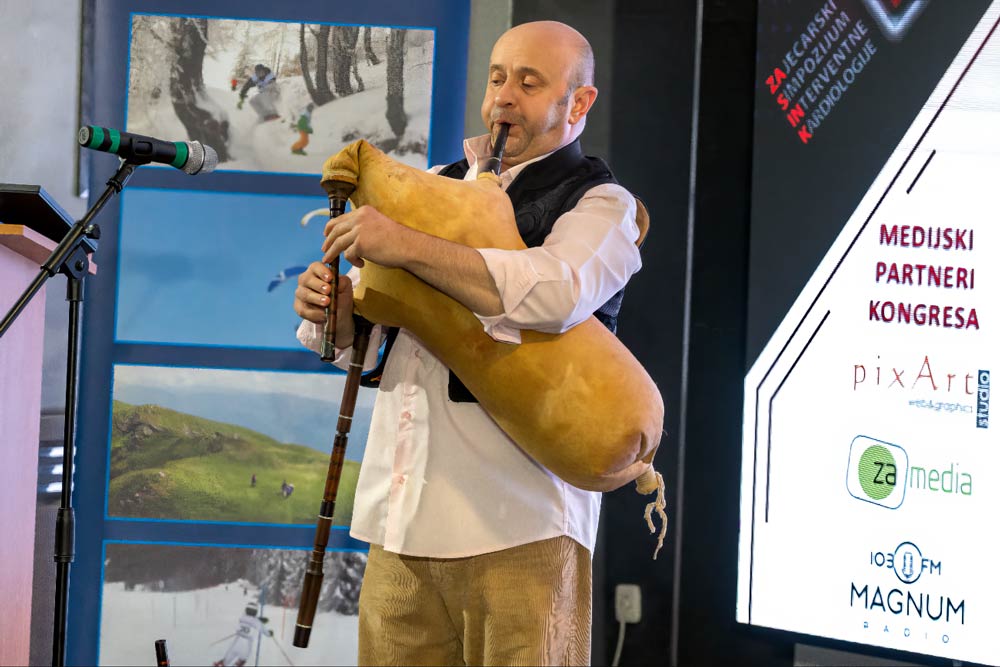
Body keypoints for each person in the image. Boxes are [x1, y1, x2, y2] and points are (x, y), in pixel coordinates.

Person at [293, 20, 642, 666]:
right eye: (497, 77)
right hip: (401, 520)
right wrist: (337, 316)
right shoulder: (437, 180)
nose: (504, 96)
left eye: (529, 83)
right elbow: (382, 333)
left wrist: (406, 244)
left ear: (580, 102)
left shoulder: (602, 205)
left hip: (521, 527)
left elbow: (555, 292)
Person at [212, 601, 272, 667]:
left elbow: (249, 619)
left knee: (227, 660)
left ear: (246, 610)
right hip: (246, 646)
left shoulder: (242, 618)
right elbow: (265, 632)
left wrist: (259, 619)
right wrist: (270, 633)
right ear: (255, 612)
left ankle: (222, 664)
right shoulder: (257, 623)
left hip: (237, 642)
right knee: (241, 660)